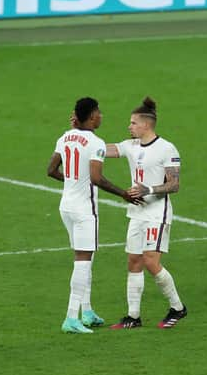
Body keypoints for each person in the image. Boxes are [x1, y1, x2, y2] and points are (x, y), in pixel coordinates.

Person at [47, 97, 140, 334]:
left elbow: (51, 170)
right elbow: (97, 178)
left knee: (84, 259)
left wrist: (72, 180)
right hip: (84, 210)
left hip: (65, 206)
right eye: (99, 112)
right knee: (82, 261)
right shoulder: (96, 142)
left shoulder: (64, 137)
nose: (101, 116)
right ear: (91, 116)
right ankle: (71, 318)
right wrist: (123, 194)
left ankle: (86, 311)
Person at [106, 97, 187, 329]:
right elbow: (103, 150)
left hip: (157, 214)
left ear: (146, 125)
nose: (129, 127)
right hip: (136, 213)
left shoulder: (167, 148)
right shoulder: (131, 146)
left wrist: (148, 189)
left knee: (151, 262)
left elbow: (174, 184)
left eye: (133, 123)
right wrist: (81, 135)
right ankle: (133, 316)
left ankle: (178, 308)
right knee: (133, 260)